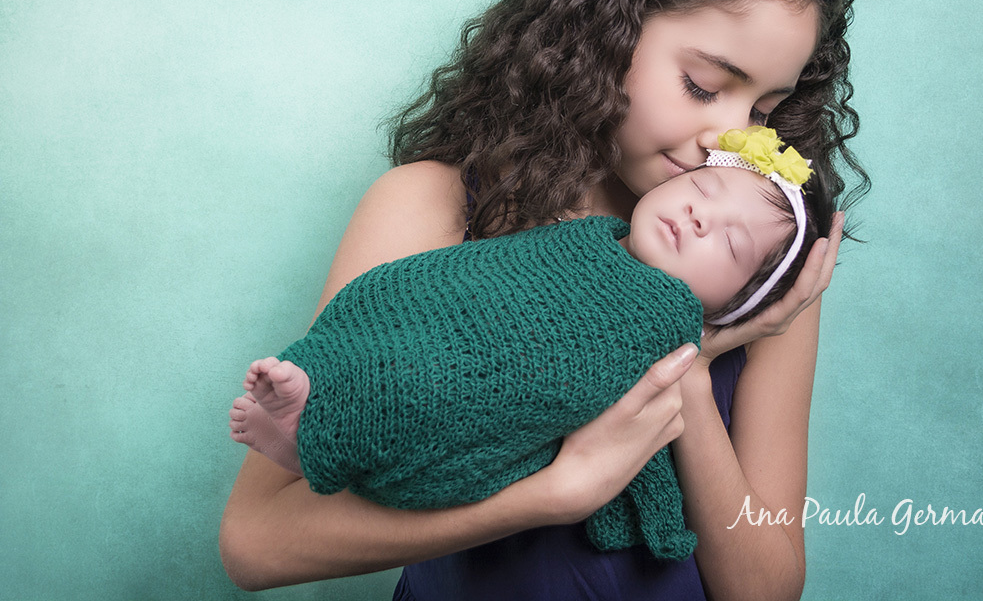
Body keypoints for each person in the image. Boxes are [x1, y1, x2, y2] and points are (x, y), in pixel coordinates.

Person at [219, 0, 867, 598]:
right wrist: (554, 493)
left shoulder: (757, 272)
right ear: (605, 30)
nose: (730, 139)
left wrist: (687, 363)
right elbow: (256, 543)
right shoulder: (435, 207)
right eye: (703, 84)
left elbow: (766, 588)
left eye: (765, 110)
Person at [228, 132, 831, 562]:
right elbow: (487, 274)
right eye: (703, 185)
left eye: (731, 244)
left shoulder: (730, 320)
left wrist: (692, 364)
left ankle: (323, 438)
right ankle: (321, 407)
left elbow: (765, 584)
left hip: (509, 400)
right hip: (455, 333)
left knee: (454, 394)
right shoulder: (576, 231)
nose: (701, 215)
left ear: (740, 303)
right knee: (399, 324)